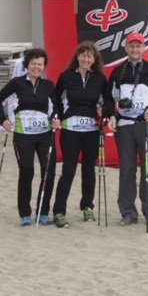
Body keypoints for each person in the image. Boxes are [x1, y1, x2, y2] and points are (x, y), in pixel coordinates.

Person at [50, 41, 113, 227]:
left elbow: (106, 101)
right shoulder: (66, 76)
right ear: (77, 57)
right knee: (68, 170)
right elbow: (56, 100)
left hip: (91, 130)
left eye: (90, 56)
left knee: (88, 169)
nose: (86, 59)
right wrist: (57, 117)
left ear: (94, 59)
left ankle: (87, 206)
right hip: (70, 129)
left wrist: (103, 111)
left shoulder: (99, 79)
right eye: (83, 55)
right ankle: (59, 211)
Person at [107, 32, 148, 228]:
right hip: (125, 125)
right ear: (126, 48)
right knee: (127, 169)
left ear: (143, 47)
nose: (134, 49)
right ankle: (127, 212)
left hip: (147, 124)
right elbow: (108, 97)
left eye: (138, 46)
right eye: (131, 46)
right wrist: (112, 115)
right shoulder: (118, 71)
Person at [0, 48, 58, 227]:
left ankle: (43, 212)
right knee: (27, 171)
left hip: (44, 134)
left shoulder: (48, 85)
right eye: (33, 63)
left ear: (44, 66)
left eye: (40, 64)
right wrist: (3, 120)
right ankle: (25, 213)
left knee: (48, 171)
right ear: (27, 65)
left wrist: (55, 118)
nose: (36, 67)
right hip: (23, 135)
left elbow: (56, 106)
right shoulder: (17, 82)